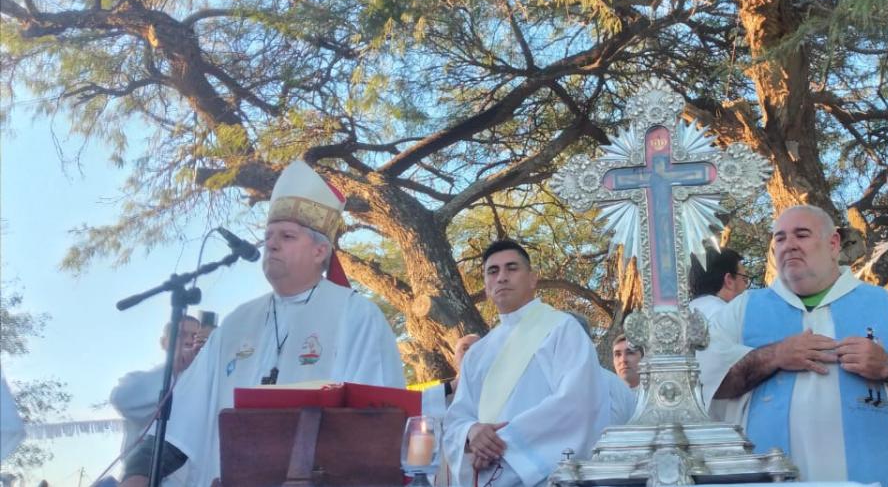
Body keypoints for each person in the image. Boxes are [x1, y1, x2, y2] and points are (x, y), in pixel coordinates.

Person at [120, 160, 407, 487]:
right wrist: (137, 475)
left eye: (287, 236)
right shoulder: (236, 324)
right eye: (268, 235)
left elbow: (376, 428)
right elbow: (181, 424)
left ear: (320, 251)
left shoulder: (356, 316)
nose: (271, 243)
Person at [697, 205, 888, 486]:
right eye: (780, 238)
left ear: (833, 243)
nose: (789, 245)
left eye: (801, 235)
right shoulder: (741, 311)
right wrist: (774, 355)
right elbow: (702, 385)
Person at [442, 240, 614, 487]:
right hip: (488, 475)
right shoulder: (477, 353)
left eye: (512, 268)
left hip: (545, 477)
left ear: (533, 279)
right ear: (486, 286)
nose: (502, 277)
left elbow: (578, 402)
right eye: (493, 271)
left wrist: (497, 443)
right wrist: (471, 433)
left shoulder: (561, 329)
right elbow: (456, 418)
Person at [110, 316, 200, 471]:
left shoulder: (207, 384)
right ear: (164, 343)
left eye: (195, 337)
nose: (189, 341)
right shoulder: (138, 380)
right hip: (145, 476)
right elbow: (121, 399)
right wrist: (173, 368)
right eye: (180, 335)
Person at [688, 248, 749, 320]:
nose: (747, 286)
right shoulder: (732, 319)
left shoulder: (682, 312)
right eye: (744, 279)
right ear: (729, 280)